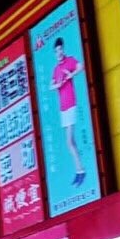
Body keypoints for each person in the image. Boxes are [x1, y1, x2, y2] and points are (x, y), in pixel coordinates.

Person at [49, 37, 86, 188]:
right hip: (63, 107)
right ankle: (79, 170)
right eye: (56, 51)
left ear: (63, 49)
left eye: (60, 49)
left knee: (69, 141)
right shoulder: (56, 69)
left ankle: (80, 171)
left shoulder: (69, 61)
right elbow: (51, 85)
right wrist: (56, 84)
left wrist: (71, 75)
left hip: (70, 103)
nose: (59, 52)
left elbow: (81, 66)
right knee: (71, 142)